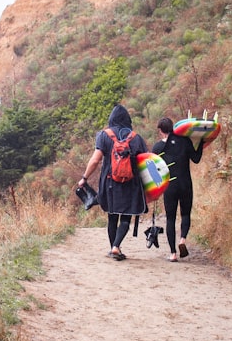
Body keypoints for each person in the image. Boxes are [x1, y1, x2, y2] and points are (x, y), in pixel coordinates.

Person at [77, 104, 148, 261]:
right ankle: (116, 247)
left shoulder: (104, 135)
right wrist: (150, 189)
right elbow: (146, 163)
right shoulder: (136, 138)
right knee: (126, 217)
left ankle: (113, 248)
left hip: (110, 182)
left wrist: (85, 178)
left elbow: (95, 160)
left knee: (112, 217)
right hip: (131, 183)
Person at [152, 117, 204, 262]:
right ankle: (182, 239)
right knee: (185, 214)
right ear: (173, 128)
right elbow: (196, 158)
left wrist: (155, 189)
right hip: (186, 184)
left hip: (170, 186)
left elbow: (153, 170)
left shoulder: (157, 148)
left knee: (170, 219)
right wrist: (201, 142)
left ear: (161, 131)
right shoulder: (185, 141)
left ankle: (173, 253)